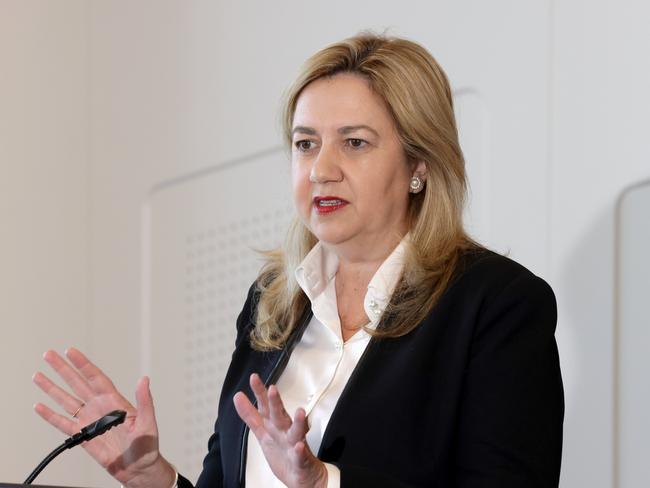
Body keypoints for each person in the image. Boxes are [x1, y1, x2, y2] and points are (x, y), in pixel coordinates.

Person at [32, 33, 564, 487]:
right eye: (305, 144)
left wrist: (323, 482)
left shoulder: (496, 305)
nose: (321, 170)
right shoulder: (273, 303)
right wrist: (154, 474)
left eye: (354, 143)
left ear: (418, 164)